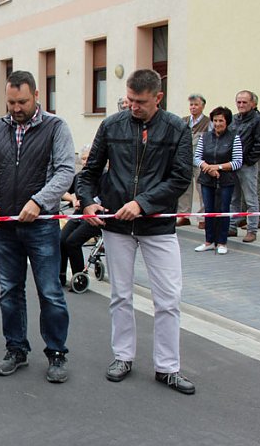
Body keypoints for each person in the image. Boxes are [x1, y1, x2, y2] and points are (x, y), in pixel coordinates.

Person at [77, 69, 195, 395]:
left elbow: (180, 178)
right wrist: (87, 204)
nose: (133, 107)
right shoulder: (111, 125)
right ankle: (123, 357)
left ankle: (168, 368)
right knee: (120, 295)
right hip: (116, 224)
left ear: (158, 97)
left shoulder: (177, 128)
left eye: (140, 102)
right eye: (129, 99)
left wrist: (142, 203)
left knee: (169, 299)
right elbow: (88, 172)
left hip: (158, 225)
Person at [0, 70, 75, 383]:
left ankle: (56, 353)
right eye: (11, 102)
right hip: (5, 227)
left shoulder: (56, 127)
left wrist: (39, 202)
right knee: (9, 292)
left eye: (22, 102)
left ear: (37, 95)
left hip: (41, 225)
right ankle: (16, 349)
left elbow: (65, 171)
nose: (16, 108)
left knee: (50, 292)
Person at [193, 106, 243, 255]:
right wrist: (208, 167)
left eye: (221, 120)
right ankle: (209, 241)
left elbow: (237, 162)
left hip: (226, 180)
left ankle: (222, 242)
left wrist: (218, 167)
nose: (217, 123)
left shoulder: (235, 137)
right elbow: (197, 157)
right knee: (209, 210)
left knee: (223, 210)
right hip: (207, 179)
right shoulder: (205, 137)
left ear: (227, 122)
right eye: (215, 120)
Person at [59, 145, 101, 290]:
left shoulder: (103, 176)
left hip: (97, 217)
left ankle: (79, 278)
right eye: (83, 158)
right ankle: (61, 275)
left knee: (72, 241)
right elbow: (63, 190)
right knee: (61, 239)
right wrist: (72, 199)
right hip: (79, 214)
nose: (85, 161)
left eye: (88, 158)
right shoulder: (80, 177)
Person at [228, 90, 260, 243]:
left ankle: (252, 230)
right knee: (234, 197)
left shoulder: (258, 119)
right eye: (239, 102)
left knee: (251, 198)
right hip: (233, 164)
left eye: (245, 102)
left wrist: (249, 161)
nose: (241, 105)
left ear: (252, 103)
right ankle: (231, 227)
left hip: (247, 165)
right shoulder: (234, 119)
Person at [178, 94, 211, 228]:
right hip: (185, 160)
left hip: (201, 160)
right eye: (191, 104)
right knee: (184, 188)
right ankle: (183, 216)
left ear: (203, 106)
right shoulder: (184, 121)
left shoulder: (209, 122)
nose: (193, 107)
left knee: (202, 188)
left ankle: (203, 217)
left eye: (196, 104)